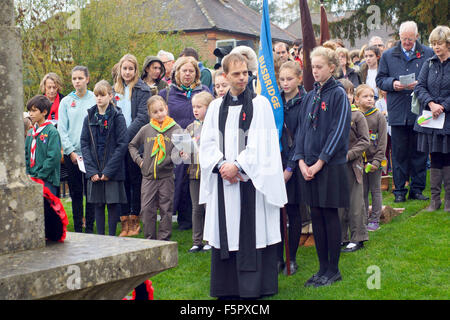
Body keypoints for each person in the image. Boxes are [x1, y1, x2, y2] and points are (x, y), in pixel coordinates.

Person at [199, 52, 287, 299]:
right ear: (224, 76)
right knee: (227, 229)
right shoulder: (216, 107)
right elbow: (205, 143)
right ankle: (227, 286)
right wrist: (220, 165)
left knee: (252, 229)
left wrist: (237, 165)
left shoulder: (260, 105)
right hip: (224, 183)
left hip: (250, 181)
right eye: (236, 74)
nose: (242, 78)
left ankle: (254, 287)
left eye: (246, 73)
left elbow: (263, 143)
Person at [293, 46, 351, 288]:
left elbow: (338, 132)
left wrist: (319, 162)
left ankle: (333, 269)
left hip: (329, 166)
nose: (314, 71)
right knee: (315, 215)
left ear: (331, 67)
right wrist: (300, 160)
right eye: (312, 67)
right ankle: (321, 268)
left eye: (319, 67)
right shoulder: (310, 95)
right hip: (308, 166)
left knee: (329, 215)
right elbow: (301, 131)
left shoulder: (338, 94)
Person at [376, 21, 434, 203]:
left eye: (410, 39)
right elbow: (380, 79)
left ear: (417, 36)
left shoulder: (428, 53)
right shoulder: (388, 55)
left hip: (420, 110)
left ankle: (417, 189)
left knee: (420, 152)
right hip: (398, 110)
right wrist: (393, 84)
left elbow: (434, 77)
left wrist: (422, 84)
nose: (407, 42)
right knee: (399, 153)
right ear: (399, 37)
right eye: (403, 39)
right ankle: (399, 190)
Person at [159, 56, 211, 231]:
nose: (188, 74)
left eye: (191, 71)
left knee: (195, 179)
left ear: (196, 73)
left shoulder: (203, 91)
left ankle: (195, 220)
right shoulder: (166, 93)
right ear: (177, 72)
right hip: (176, 141)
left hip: (199, 142)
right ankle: (180, 219)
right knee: (178, 181)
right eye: (184, 70)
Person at [128, 95, 181, 240]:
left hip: (166, 177)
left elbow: (182, 152)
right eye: (155, 112)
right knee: (146, 209)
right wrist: (139, 161)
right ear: (150, 114)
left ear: (167, 109)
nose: (159, 114)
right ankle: (150, 239)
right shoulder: (146, 129)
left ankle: (164, 239)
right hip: (148, 177)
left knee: (166, 208)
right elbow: (132, 145)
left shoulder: (176, 129)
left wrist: (170, 159)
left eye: (161, 110)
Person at [80, 80, 128, 236]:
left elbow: (122, 144)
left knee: (113, 203)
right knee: (98, 204)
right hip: (95, 167)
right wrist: (92, 170)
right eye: (96, 95)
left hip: (112, 169)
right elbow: (84, 144)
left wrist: (108, 171)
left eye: (102, 95)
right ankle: (100, 238)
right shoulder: (88, 117)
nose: (99, 98)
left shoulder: (118, 116)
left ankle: (112, 236)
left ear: (110, 96)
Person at [114, 53, 152, 236]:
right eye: (124, 68)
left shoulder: (142, 90)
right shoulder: (115, 90)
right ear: (120, 70)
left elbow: (142, 117)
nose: (127, 72)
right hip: (118, 144)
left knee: (135, 181)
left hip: (134, 142)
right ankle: (124, 222)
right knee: (122, 181)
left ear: (136, 70)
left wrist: (125, 138)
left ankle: (135, 219)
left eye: (131, 68)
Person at [414, 25, 450, 211]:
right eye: (433, 43)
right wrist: (431, 104)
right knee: (435, 156)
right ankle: (435, 200)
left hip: (448, 118)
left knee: (449, 157)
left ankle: (449, 201)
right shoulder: (429, 63)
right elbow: (419, 87)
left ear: (448, 44)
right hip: (431, 118)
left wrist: (443, 106)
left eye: (440, 43)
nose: (436, 47)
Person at [58, 66, 96, 233]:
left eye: (80, 78)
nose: (77, 81)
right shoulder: (66, 102)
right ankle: (78, 226)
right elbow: (62, 129)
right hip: (72, 154)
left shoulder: (95, 99)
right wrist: (70, 151)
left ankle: (90, 225)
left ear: (87, 79)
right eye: (74, 79)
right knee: (75, 191)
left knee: (90, 191)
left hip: (91, 154)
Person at [277, 61, 307, 275]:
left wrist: (289, 168)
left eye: (289, 79)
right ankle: (278, 257)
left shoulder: (305, 101)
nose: (285, 83)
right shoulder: (274, 101)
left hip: (295, 163)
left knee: (294, 211)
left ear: (299, 78)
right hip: (276, 162)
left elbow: (302, 136)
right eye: (282, 79)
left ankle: (292, 257)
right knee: (277, 212)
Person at [337, 79, 370, 253]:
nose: (348, 96)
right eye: (344, 93)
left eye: (351, 93)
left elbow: (365, 141)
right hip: (336, 165)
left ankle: (358, 237)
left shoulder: (357, 116)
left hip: (353, 164)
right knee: (339, 203)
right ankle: (341, 237)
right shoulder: (333, 115)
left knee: (355, 202)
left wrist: (349, 154)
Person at [183, 91, 215, 252]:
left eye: (199, 107)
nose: (195, 110)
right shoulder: (190, 128)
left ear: (209, 108)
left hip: (209, 174)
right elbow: (184, 154)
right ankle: (197, 241)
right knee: (196, 207)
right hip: (194, 174)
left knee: (209, 207)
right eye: (193, 107)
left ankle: (210, 239)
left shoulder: (214, 127)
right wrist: (184, 153)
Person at [356, 84, 387, 232]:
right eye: (365, 96)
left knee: (375, 190)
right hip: (359, 162)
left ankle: (374, 219)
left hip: (375, 160)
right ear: (357, 99)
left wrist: (376, 161)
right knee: (362, 191)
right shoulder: (355, 116)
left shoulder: (379, 116)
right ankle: (362, 219)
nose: (369, 99)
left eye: (371, 96)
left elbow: (382, 142)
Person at [25, 95, 61, 197]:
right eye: (29, 111)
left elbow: (53, 157)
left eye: (34, 111)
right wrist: (28, 172)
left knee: (48, 211)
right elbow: (26, 155)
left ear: (44, 112)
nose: (30, 114)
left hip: (47, 180)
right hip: (31, 178)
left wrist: (40, 175)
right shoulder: (30, 133)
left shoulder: (52, 132)